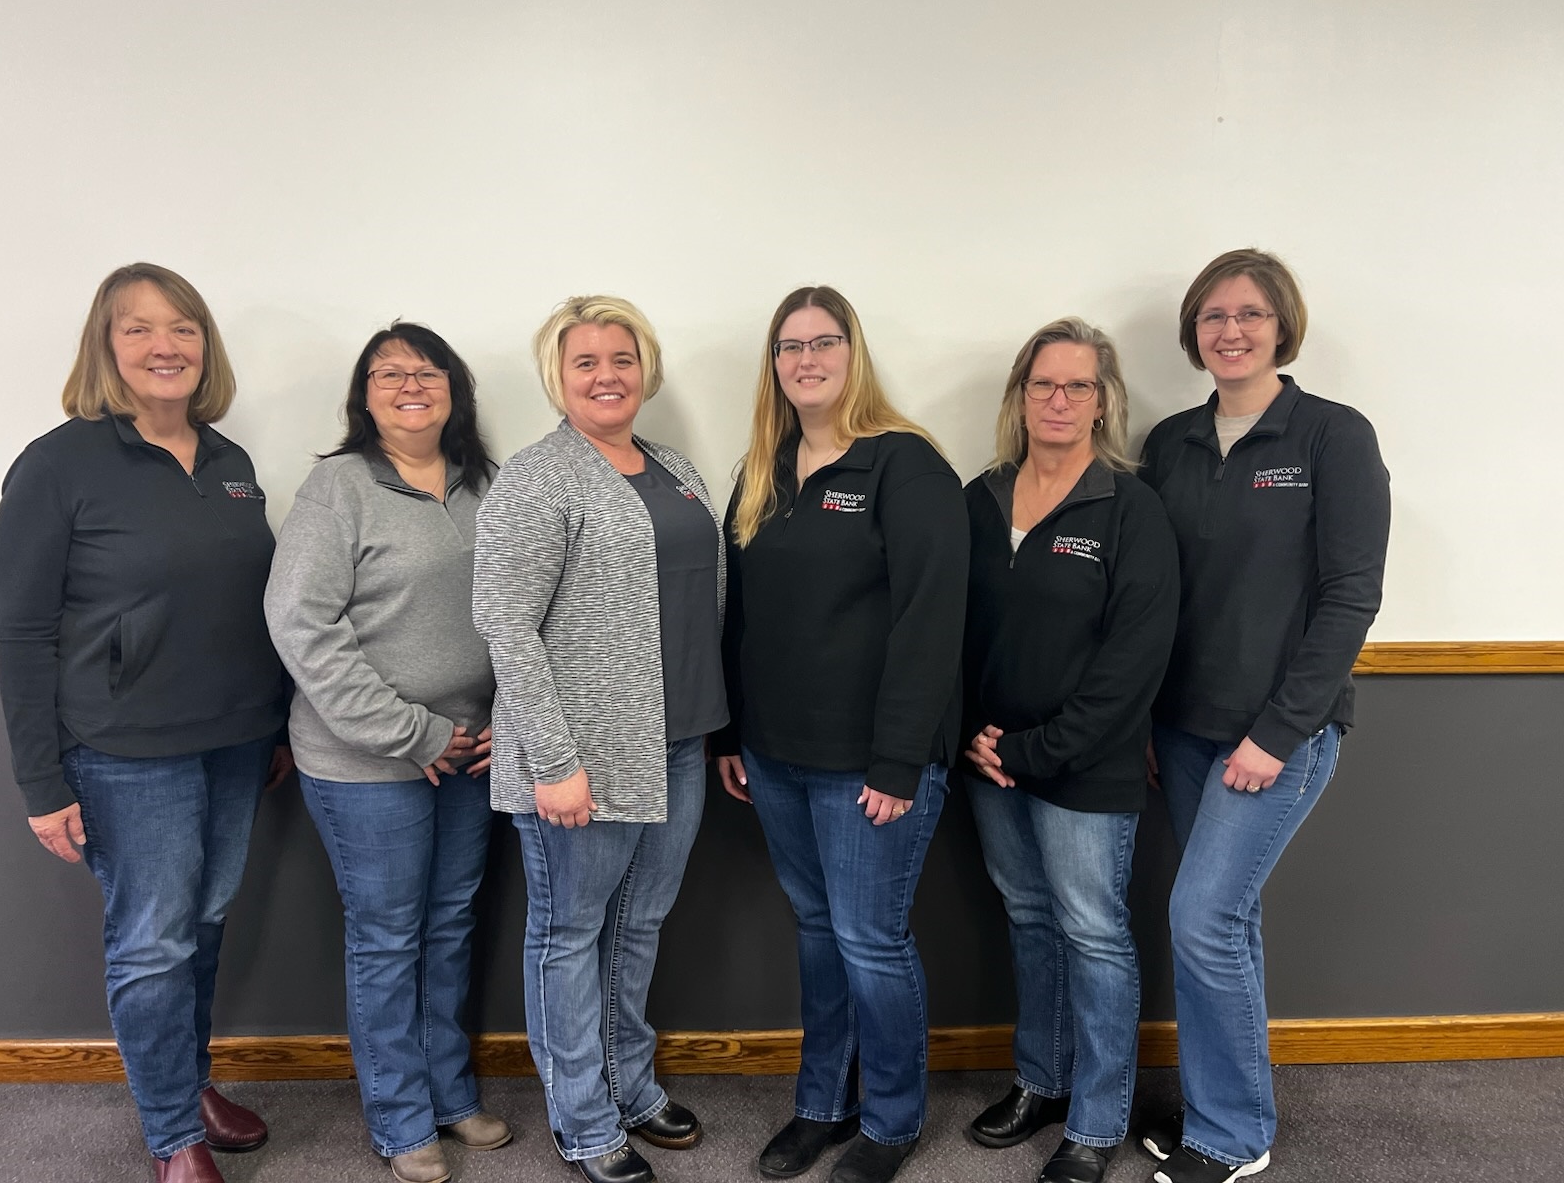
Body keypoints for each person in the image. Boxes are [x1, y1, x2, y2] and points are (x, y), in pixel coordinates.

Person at [0, 264, 289, 1183]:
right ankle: (172, 1133)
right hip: (125, 752)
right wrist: (43, 783)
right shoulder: (56, 466)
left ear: (205, 345)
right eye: (139, 329)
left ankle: (186, 1080)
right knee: (153, 940)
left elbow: (252, 605)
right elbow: (25, 632)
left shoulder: (229, 462)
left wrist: (274, 726)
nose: (166, 346)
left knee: (202, 924)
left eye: (184, 328)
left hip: (237, 741)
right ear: (105, 346)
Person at [1138, 250, 1390, 1183]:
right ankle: (1222, 1115)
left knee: (1201, 917)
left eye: (1248, 314)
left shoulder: (1331, 436)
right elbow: (1154, 596)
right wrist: (1149, 724)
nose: (1230, 332)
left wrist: (1276, 734)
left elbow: (1350, 596)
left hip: (1280, 734)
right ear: (1193, 333)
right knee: (1225, 922)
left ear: (1283, 323)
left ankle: (1233, 1137)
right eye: (1212, 317)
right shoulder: (1170, 443)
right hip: (1183, 730)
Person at [713, 285, 969, 1183]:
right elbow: (737, 616)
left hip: (872, 766)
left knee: (871, 941)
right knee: (818, 932)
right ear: (774, 364)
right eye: (790, 346)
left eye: (826, 342)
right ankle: (824, 1105)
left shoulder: (907, 467)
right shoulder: (762, 469)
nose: (807, 360)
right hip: (777, 758)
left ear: (853, 355)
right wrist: (733, 736)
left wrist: (901, 759)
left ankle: (893, 1120)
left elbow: (932, 625)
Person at [473, 296, 726, 1183]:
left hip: (679, 741)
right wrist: (556, 762)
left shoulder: (676, 467)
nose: (607, 375)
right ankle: (583, 1120)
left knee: (638, 926)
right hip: (581, 757)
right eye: (586, 362)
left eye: (622, 358)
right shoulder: (537, 477)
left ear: (644, 368)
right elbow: (506, 625)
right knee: (571, 934)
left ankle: (630, 1083)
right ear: (558, 375)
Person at [264, 322, 509, 1183]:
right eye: (387, 373)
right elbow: (303, 625)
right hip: (366, 762)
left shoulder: (492, 484)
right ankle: (401, 1119)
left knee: (449, 931)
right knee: (388, 939)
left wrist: (499, 727)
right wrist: (412, 734)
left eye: (427, 370)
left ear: (455, 387)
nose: (409, 384)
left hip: (472, 754)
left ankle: (448, 1093)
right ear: (363, 397)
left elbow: (528, 613)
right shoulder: (337, 488)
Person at [959, 318, 1179, 1183]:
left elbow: (1134, 663)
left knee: (1092, 932)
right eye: (1042, 384)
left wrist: (1041, 748)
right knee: (1028, 916)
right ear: (1019, 397)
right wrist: (981, 738)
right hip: (991, 764)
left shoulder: (1131, 509)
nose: (1058, 400)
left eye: (1077, 386)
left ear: (1104, 401)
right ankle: (1041, 1082)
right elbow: (956, 629)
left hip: (1085, 765)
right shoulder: (980, 498)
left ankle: (1096, 1117)